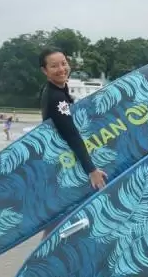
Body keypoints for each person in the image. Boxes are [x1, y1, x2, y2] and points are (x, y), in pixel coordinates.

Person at [38, 47, 107, 239]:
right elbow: (71, 134)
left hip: (61, 160)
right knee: (61, 216)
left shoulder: (57, 90)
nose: (61, 69)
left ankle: (47, 256)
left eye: (63, 63)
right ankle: (46, 258)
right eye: (54, 66)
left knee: (61, 215)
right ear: (45, 71)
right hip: (63, 162)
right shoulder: (56, 96)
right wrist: (91, 170)